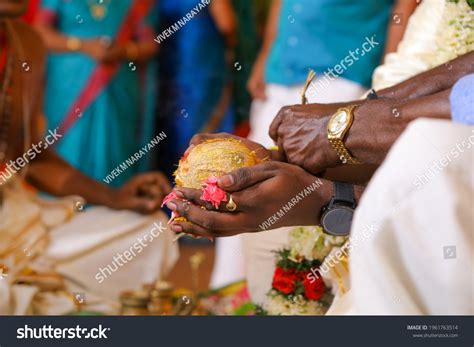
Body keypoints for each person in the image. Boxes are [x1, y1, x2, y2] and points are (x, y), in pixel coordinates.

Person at [0, 1, 177, 314]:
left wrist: (115, 196)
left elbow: (31, 159)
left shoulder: (25, 43)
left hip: (12, 215)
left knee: (150, 231)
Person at [33, 0, 160, 186]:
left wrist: (125, 50)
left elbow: (151, 43)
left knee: (115, 150)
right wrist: (82, 45)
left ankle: (117, 202)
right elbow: (40, 32)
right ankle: (65, 203)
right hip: (68, 86)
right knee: (68, 147)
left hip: (118, 84)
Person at [157, 0, 237, 178]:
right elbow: (227, 25)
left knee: (173, 137)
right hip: (200, 70)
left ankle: (173, 199)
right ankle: (201, 195)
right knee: (200, 141)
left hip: (169, 69)